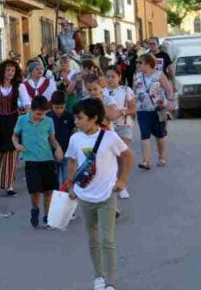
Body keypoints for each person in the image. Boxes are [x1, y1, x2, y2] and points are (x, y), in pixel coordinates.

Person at [66, 99, 134, 290]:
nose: (76, 122)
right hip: (84, 196)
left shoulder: (110, 137)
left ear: (94, 118)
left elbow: (128, 156)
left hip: (106, 196)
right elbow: (71, 162)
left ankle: (110, 282)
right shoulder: (75, 139)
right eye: (75, 118)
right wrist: (71, 186)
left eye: (80, 118)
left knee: (107, 239)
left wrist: (122, 180)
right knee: (92, 238)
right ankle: (98, 276)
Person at [12, 96, 63, 228]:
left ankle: (48, 216)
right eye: (38, 114)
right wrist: (16, 145)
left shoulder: (49, 121)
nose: (40, 116)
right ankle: (35, 209)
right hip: (31, 160)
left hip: (47, 159)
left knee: (48, 190)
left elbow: (52, 139)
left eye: (44, 114)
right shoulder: (22, 120)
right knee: (34, 190)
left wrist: (57, 148)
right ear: (31, 110)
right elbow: (15, 136)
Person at [0, 60, 29, 195]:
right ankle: (0, 177)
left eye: (13, 70)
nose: (10, 73)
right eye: (8, 70)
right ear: (3, 70)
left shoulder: (19, 86)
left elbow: (27, 103)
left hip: (13, 121)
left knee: (11, 151)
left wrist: (28, 117)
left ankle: (9, 184)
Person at [133, 53, 173, 170]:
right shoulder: (138, 75)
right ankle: (146, 161)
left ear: (148, 63)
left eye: (140, 62)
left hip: (157, 109)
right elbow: (135, 91)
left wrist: (169, 100)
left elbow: (168, 89)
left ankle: (161, 157)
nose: (138, 64)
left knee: (160, 134)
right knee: (144, 135)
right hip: (142, 110)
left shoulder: (159, 75)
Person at [103, 66, 136, 199]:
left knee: (121, 155)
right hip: (108, 127)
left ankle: (122, 184)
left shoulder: (126, 90)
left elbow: (133, 108)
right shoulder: (102, 92)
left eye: (113, 76)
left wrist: (123, 112)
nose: (110, 79)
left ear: (119, 77)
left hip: (123, 126)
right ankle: (110, 183)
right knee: (110, 157)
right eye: (108, 76)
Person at [47, 90, 75, 187]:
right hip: (51, 153)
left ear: (65, 105)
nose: (59, 110)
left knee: (66, 182)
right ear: (51, 105)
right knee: (52, 182)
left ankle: (65, 201)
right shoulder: (47, 117)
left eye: (61, 107)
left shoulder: (69, 116)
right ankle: (53, 201)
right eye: (56, 108)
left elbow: (73, 132)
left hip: (66, 152)